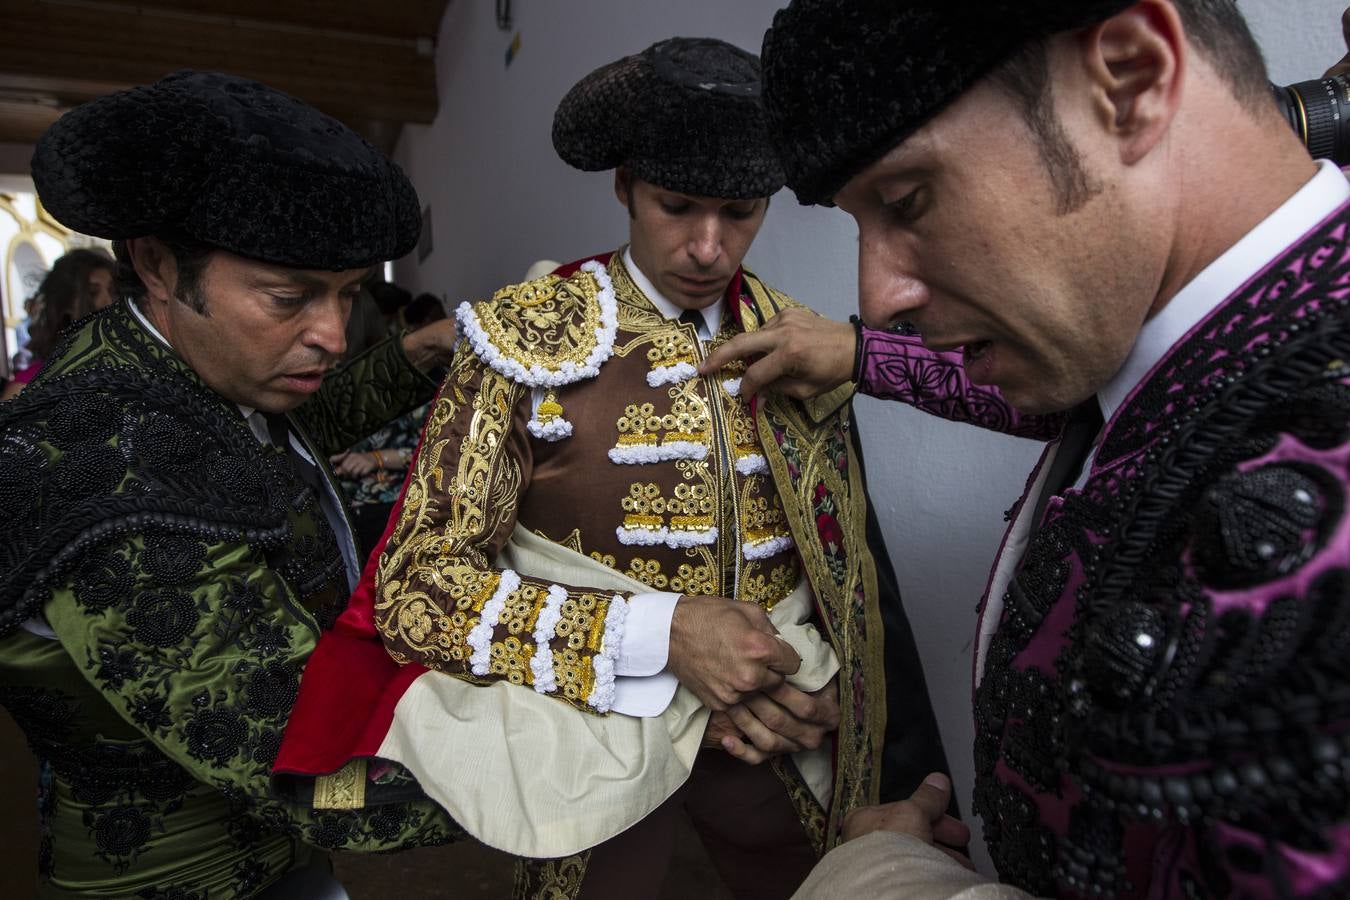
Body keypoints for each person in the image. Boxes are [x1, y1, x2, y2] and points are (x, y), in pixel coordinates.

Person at [698, 1, 1350, 896]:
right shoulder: (1179, 339)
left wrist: (886, 875)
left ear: (1128, 78)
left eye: (906, 200)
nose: (877, 293)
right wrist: (857, 354)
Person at [274, 37, 951, 899]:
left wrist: (844, 711)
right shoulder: (522, 333)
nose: (709, 247)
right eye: (677, 205)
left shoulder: (799, 338)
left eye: (741, 212)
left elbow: (847, 574)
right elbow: (417, 589)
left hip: (778, 717)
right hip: (584, 726)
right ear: (625, 185)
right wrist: (664, 646)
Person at [0, 70, 467, 898]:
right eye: (289, 298)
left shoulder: (167, 365)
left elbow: (255, 454)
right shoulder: (117, 484)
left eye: (349, 294)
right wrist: (606, 748)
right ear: (155, 264)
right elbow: (311, 776)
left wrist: (411, 355)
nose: (331, 334)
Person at [1, 248, 115, 401]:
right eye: (92, 293)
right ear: (67, 303)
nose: (108, 302)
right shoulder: (28, 387)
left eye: (114, 291)